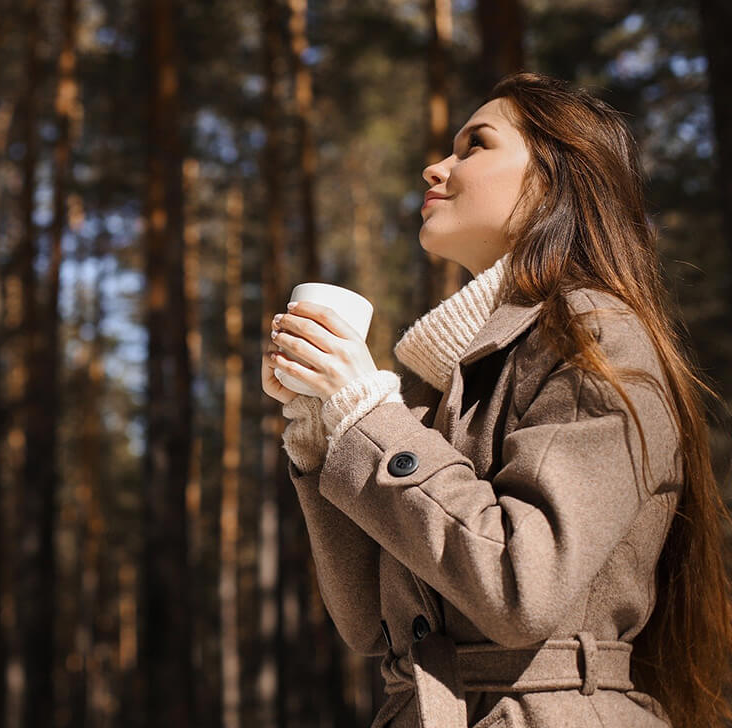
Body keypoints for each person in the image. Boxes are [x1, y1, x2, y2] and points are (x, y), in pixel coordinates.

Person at [261, 71, 732, 728]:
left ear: (552, 180)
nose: (435, 167)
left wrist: (366, 415)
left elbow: (520, 586)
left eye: (473, 145)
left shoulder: (595, 335)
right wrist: (323, 427)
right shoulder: (449, 381)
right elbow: (371, 625)